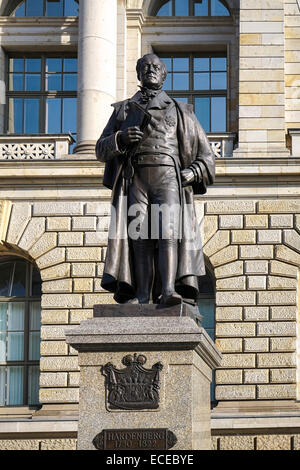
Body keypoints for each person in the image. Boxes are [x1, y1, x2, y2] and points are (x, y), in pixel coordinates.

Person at [96, 53, 215, 305]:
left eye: (156, 67)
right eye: (145, 66)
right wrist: (120, 139)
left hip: (169, 178)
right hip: (136, 177)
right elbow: (100, 148)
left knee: (168, 233)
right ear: (138, 74)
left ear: (164, 74)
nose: (151, 70)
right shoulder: (124, 110)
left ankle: (169, 289)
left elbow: (207, 155)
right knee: (140, 237)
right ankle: (141, 295)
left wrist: (192, 172)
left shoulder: (182, 111)